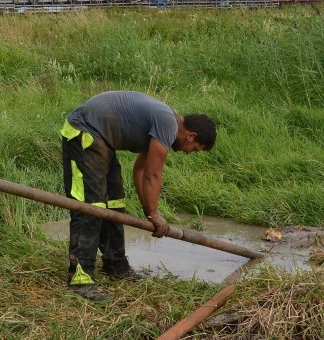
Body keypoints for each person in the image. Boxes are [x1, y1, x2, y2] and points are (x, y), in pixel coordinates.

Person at [60, 91, 217, 302]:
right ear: (191, 136)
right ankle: (80, 279)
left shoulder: (164, 122)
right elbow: (152, 174)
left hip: (102, 140)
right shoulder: (167, 124)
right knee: (91, 207)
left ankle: (116, 265)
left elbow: (140, 171)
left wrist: (148, 212)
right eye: (195, 149)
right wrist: (154, 213)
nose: (190, 153)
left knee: (114, 203)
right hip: (83, 132)